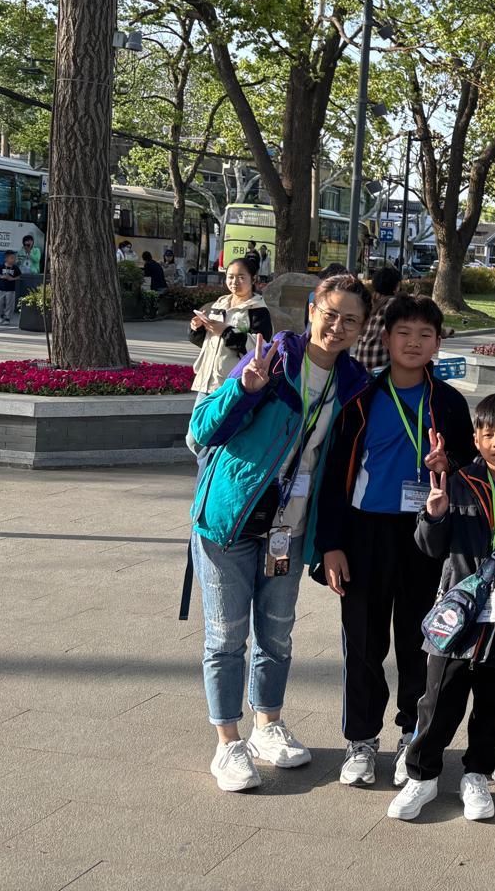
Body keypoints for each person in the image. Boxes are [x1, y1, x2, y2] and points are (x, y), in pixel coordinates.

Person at [184, 273, 372, 792]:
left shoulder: (353, 383)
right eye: (330, 314)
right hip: (230, 519)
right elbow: (200, 430)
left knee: (277, 634)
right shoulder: (274, 359)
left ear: (362, 328)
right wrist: (244, 388)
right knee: (226, 637)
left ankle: (267, 724)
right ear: (312, 310)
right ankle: (228, 743)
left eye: (351, 320)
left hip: (288, 526)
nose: (337, 326)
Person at [315, 294, 480, 789]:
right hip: (364, 532)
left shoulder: (448, 402)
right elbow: (333, 475)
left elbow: (473, 472)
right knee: (363, 640)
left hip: (426, 535)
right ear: (385, 338)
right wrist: (330, 544)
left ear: (437, 343)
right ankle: (361, 740)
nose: (413, 342)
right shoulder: (360, 396)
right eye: (403, 333)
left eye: (425, 335)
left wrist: (449, 466)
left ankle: (413, 733)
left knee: (420, 639)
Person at [386, 394, 495, 822]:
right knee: (437, 701)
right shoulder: (459, 482)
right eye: (489, 434)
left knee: (492, 704)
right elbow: (430, 549)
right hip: (455, 617)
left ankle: (476, 775)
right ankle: (422, 775)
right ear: (476, 439)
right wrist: (434, 516)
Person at [189, 256, 274, 398]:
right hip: (207, 381)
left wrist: (226, 332)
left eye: (241, 277)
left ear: (253, 279)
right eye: (230, 277)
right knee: (199, 414)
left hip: (233, 384)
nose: (234, 282)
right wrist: (197, 328)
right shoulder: (220, 304)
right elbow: (206, 342)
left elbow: (259, 347)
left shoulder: (258, 310)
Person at [353, 266, 403, 372]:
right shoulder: (396, 305)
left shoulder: (371, 302)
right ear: (397, 286)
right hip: (380, 367)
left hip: (360, 365)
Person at [0, 250, 21, 325]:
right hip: (0, 289)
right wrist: (1, 276)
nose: (14, 259)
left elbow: (19, 276)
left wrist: (12, 278)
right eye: (12, 258)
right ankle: (2, 315)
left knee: (9, 304)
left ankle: (7, 318)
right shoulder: (1, 267)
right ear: (6, 259)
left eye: (14, 258)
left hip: (10, 289)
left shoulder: (15, 268)